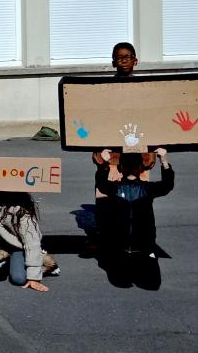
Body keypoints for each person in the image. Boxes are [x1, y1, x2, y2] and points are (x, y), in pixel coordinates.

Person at [87, 42, 141, 252]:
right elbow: (98, 119)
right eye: (119, 57)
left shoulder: (145, 89)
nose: (124, 60)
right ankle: (103, 235)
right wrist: (97, 148)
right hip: (111, 150)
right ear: (113, 62)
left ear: (136, 60)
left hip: (137, 150)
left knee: (137, 195)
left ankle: (134, 236)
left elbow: (152, 119)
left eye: (128, 56)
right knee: (104, 193)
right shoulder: (105, 90)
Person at [95, 147, 174, 290]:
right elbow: (167, 185)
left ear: (120, 169)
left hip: (139, 248)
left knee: (147, 284)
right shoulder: (124, 188)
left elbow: (101, 183)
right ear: (141, 169)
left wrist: (104, 164)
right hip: (125, 249)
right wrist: (164, 160)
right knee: (129, 283)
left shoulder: (118, 188)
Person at [0, 188, 49, 291]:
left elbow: (32, 242)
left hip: (18, 245)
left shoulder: (21, 206)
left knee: (19, 279)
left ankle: (24, 259)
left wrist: (34, 277)